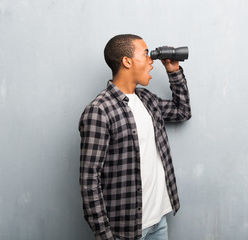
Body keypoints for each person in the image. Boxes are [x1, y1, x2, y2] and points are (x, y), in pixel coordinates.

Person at [78, 34, 191, 240]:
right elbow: (89, 180)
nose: (151, 62)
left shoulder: (147, 99)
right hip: (126, 230)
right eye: (146, 54)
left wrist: (174, 71)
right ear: (127, 61)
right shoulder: (99, 110)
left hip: (159, 221)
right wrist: (105, 235)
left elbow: (182, 111)